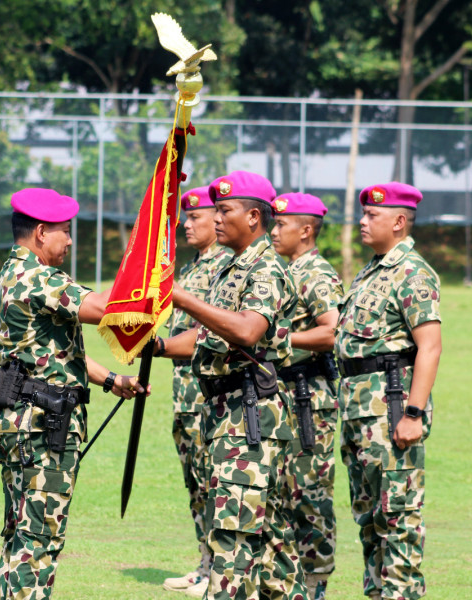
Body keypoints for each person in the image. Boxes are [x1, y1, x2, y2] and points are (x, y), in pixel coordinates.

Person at [0, 187, 146, 600]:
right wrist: (146, 273)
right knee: (39, 542)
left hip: (19, 417)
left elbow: (53, 353)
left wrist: (111, 380)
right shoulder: (39, 277)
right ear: (41, 232)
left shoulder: (8, 274)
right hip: (43, 425)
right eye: (65, 232)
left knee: (22, 533)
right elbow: (109, 309)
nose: (70, 241)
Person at [154, 171, 308, 600]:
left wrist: (181, 297)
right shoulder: (231, 268)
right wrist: (159, 346)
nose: (215, 219)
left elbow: (246, 330)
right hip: (228, 414)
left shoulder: (267, 268)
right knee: (275, 549)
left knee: (234, 542)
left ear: (254, 216)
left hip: (250, 417)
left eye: (225, 211)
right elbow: (209, 336)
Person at [334, 182, 442, 600]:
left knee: (398, 519)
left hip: (391, 413)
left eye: (372, 216)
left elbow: (429, 345)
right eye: (363, 214)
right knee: (370, 519)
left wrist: (413, 414)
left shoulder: (413, 272)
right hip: (361, 416)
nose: (362, 221)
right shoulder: (372, 270)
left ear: (398, 221)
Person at [269, 192, 343, 600]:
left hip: (307, 398)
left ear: (307, 230)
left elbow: (332, 331)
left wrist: (276, 339)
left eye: (282, 225)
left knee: (310, 494)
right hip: (285, 393)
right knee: (284, 491)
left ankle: (315, 584)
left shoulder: (314, 272)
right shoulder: (288, 269)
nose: (274, 231)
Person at [162, 186, 232, 597]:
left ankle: (220, 569)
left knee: (217, 482)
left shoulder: (224, 266)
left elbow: (208, 330)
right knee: (197, 484)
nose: (187, 224)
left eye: (196, 218)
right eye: (185, 218)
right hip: (185, 395)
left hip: (210, 395)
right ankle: (205, 563)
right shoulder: (193, 267)